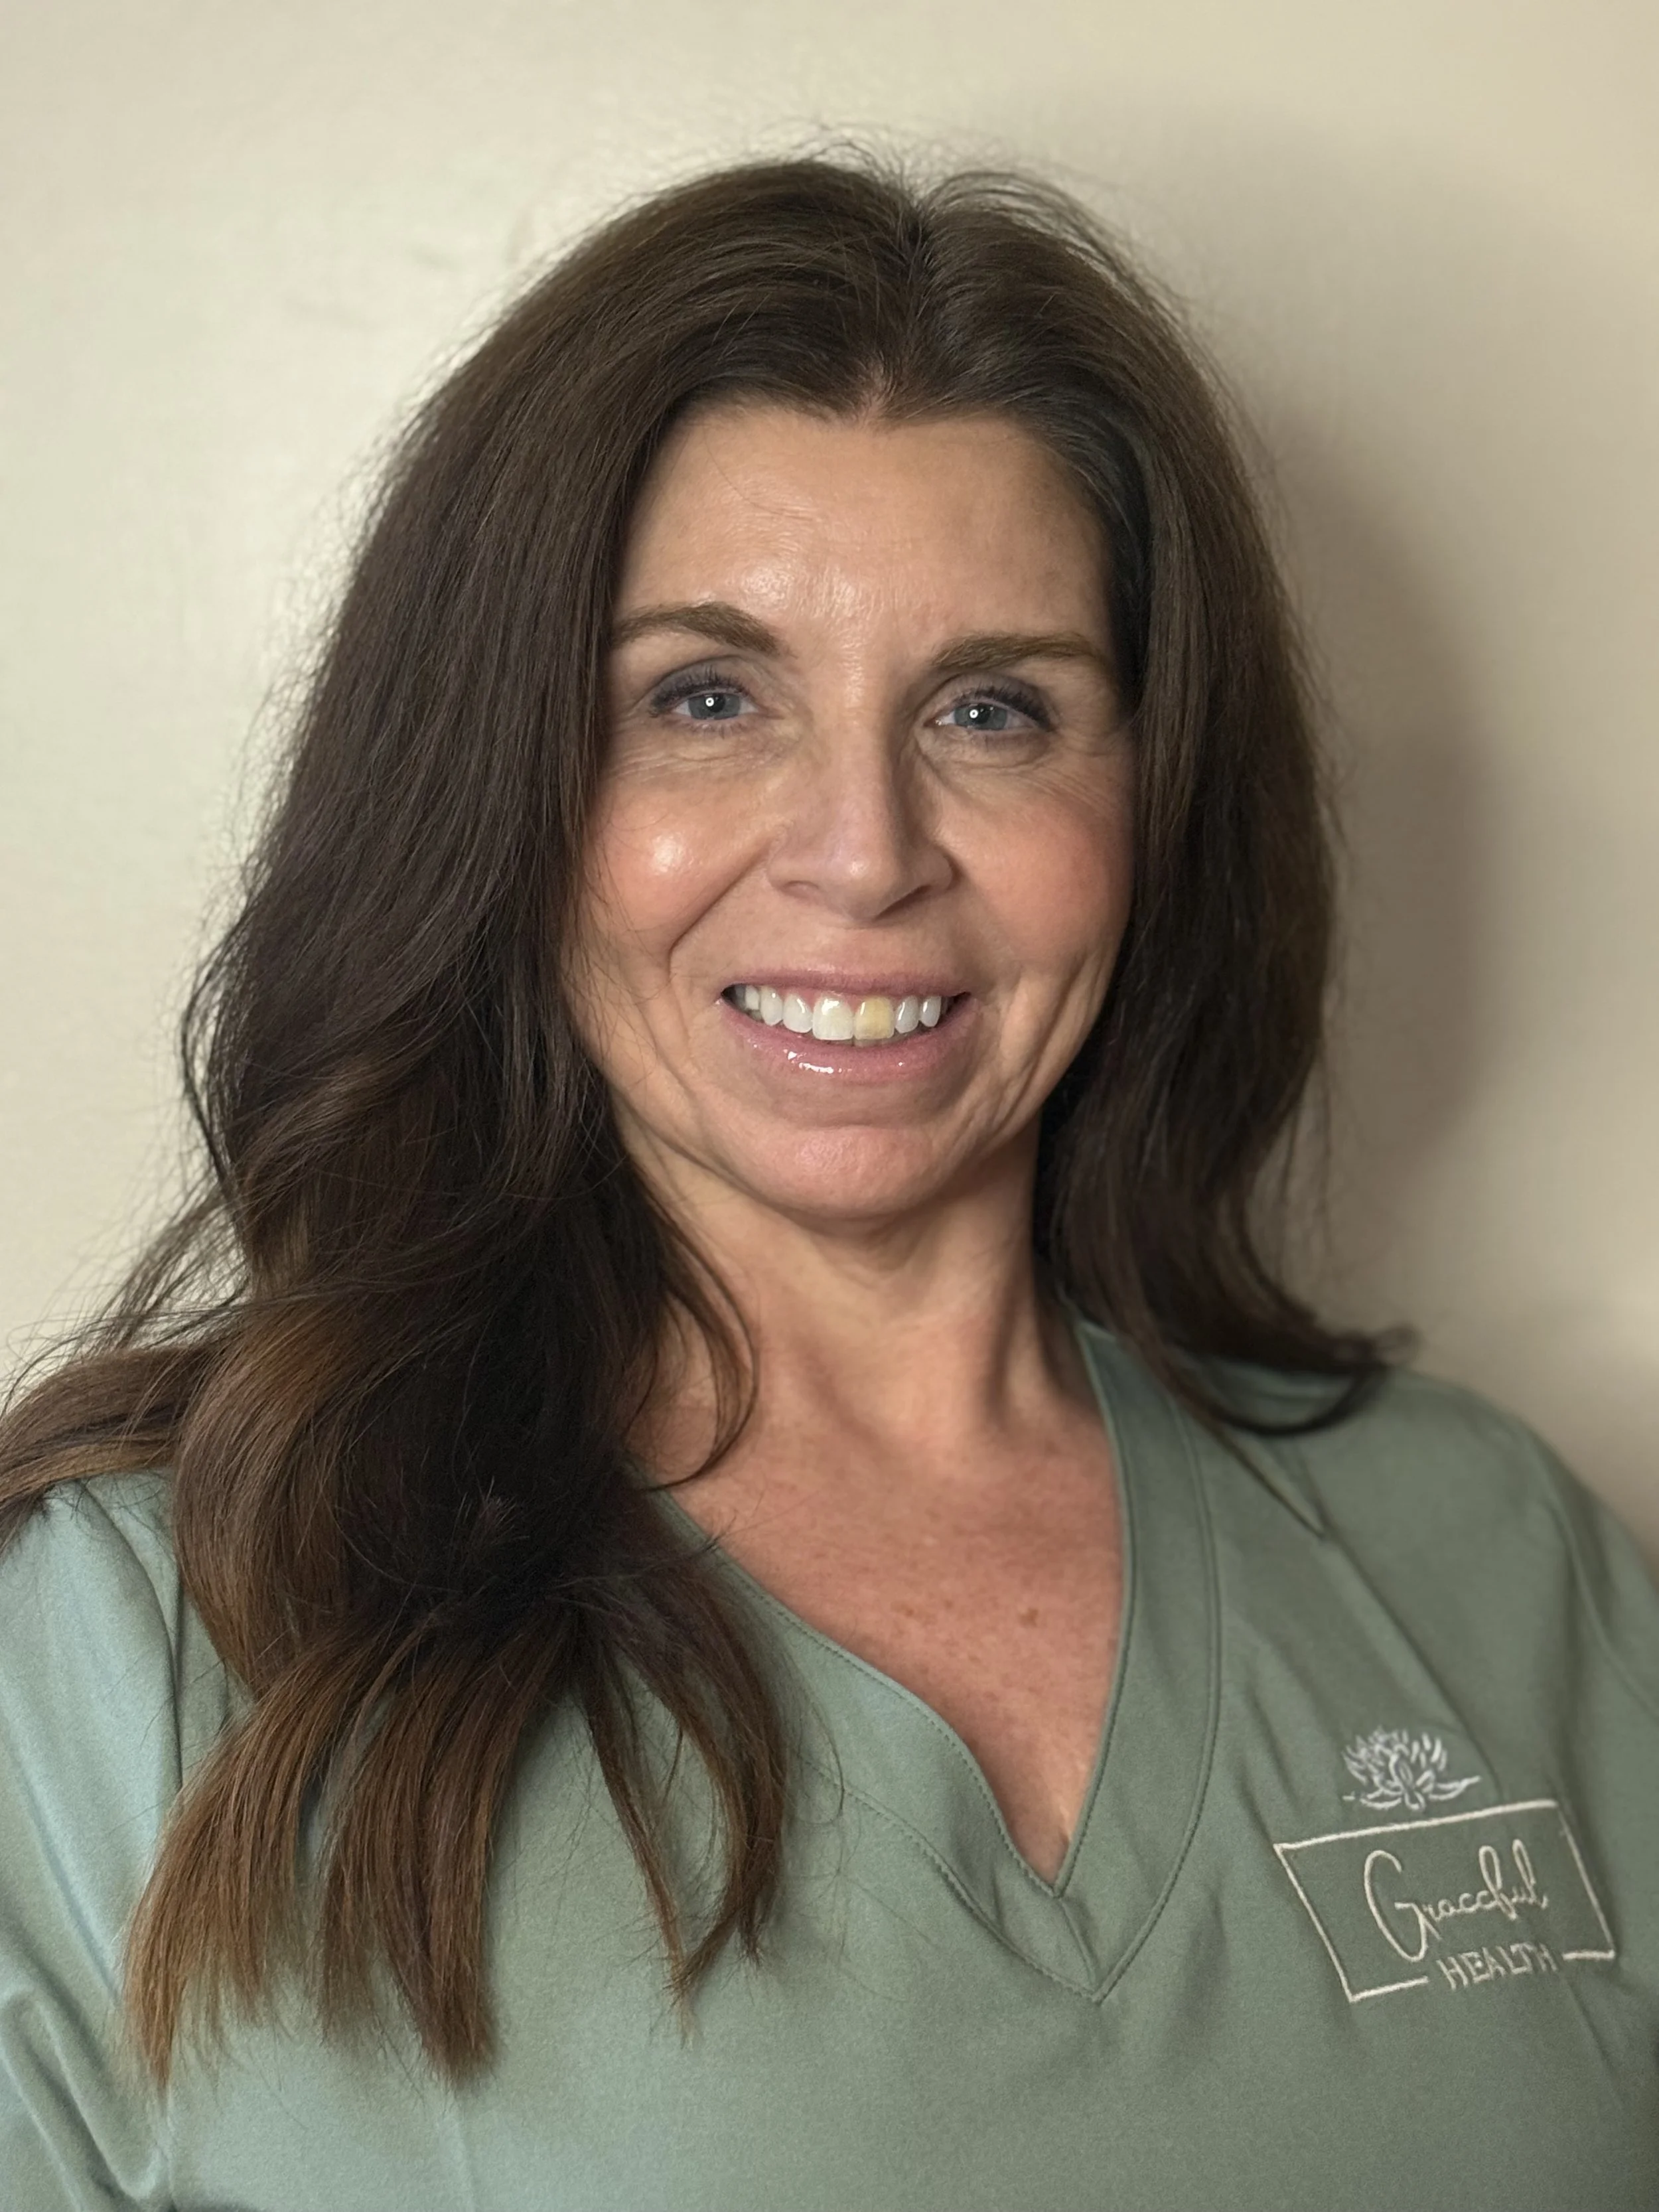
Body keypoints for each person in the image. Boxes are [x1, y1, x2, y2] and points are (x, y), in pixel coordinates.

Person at [1, 153, 1655, 2212]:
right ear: (498, 787)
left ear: (1151, 801)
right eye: (705, 696)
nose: (864, 850)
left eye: (993, 706)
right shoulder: (141, 1622)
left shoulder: (1495, 1559)